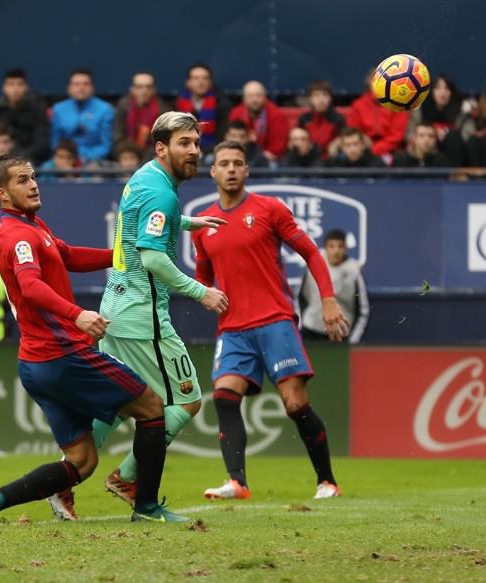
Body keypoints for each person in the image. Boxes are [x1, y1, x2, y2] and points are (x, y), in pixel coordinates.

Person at [0, 154, 180, 523]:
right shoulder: (16, 236)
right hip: (64, 355)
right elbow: (30, 286)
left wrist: (122, 257)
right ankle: (147, 508)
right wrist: (77, 314)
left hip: (35, 364)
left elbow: (68, 256)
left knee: (82, 461)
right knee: (152, 407)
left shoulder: (31, 226)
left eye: (32, 177)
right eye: (21, 180)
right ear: (2, 193)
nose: (32, 184)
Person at [192, 140, 350, 500]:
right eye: (224, 163)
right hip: (232, 327)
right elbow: (203, 273)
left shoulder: (269, 209)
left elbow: (311, 252)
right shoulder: (202, 224)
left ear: (247, 171)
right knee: (224, 396)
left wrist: (328, 300)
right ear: (213, 171)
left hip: (274, 320)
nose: (231, 169)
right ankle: (237, 483)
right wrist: (203, 292)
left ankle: (327, 481)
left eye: (238, 163)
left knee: (294, 404)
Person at [85, 112, 229, 509]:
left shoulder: (145, 178)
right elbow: (151, 257)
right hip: (142, 317)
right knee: (186, 402)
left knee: (117, 402)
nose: (195, 151)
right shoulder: (162, 191)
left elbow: (140, 222)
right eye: (185, 143)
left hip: (115, 307)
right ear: (161, 147)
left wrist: (186, 222)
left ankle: (66, 475)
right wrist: (200, 291)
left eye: (197, 143)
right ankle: (127, 478)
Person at [299, 229, 369, 345]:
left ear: (346, 248)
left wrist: (353, 341)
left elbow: (363, 310)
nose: (336, 251)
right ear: (325, 248)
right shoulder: (313, 264)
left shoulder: (354, 270)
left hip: (340, 335)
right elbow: (300, 297)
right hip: (310, 331)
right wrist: (300, 326)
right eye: (331, 246)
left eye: (340, 246)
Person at [50, 69, 114, 162]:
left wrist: (84, 158)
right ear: (69, 88)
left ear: (92, 88)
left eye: (86, 84)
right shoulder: (58, 109)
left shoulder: (105, 110)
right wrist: (66, 157)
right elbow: (55, 142)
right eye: (76, 84)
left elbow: (106, 146)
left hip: (94, 161)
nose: (81, 88)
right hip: (64, 158)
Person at [0, 69, 49, 163]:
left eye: (20, 84)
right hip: (0, 156)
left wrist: (20, 156)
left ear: (26, 87)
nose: (15, 89)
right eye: (11, 84)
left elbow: (41, 142)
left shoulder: (37, 109)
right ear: (4, 88)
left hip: (29, 158)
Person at [409, 74, 469, 166]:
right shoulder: (421, 109)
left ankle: (453, 177)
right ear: (432, 91)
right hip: (426, 151)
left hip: (453, 153)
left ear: (452, 92)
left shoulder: (462, 110)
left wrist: (446, 134)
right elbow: (410, 134)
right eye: (438, 88)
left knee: (453, 137)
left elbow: (467, 136)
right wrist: (432, 136)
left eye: (447, 89)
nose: (442, 93)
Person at [346, 71, 409, 159]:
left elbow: (397, 136)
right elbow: (353, 131)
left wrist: (375, 149)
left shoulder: (398, 105)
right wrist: (363, 145)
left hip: (392, 151)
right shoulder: (358, 105)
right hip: (363, 150)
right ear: (369, 84)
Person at [175, 63, 232, 151]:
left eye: (205, 78)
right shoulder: (178, 104)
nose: (201, 82)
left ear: (210, 82)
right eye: (196, 78)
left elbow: (223, 135)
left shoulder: (222, 104)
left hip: (214, 149)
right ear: (188, 82)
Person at [228, 81, 288, 162]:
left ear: (265, 97)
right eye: (250, 96)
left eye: (258, 95)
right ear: (244, 99)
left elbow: (278, 147)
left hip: (267, 159)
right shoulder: (236, 113)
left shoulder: (277, 115)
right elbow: (230, 140)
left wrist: (259, 159)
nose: (255, 100)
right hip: (239, 157)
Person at [113, 72, 170, 156]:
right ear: (132, 89)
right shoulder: (123, 107)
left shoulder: (164, 111)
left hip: (153, 156)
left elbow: (164, 141)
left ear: (154, 90)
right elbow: (117, 137)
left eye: (148, 87)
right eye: (139, 87)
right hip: (126, 155)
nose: (144, 91)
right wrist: (126, 153)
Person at [297, 80, 345, 155]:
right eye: (316, 96)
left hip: (331, 161)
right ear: (311, 99)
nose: (321, 100)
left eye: (325, 95)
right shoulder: (304, 119)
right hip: (308, 159)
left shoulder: (338, 119)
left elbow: (343, 143)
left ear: (330, 98)